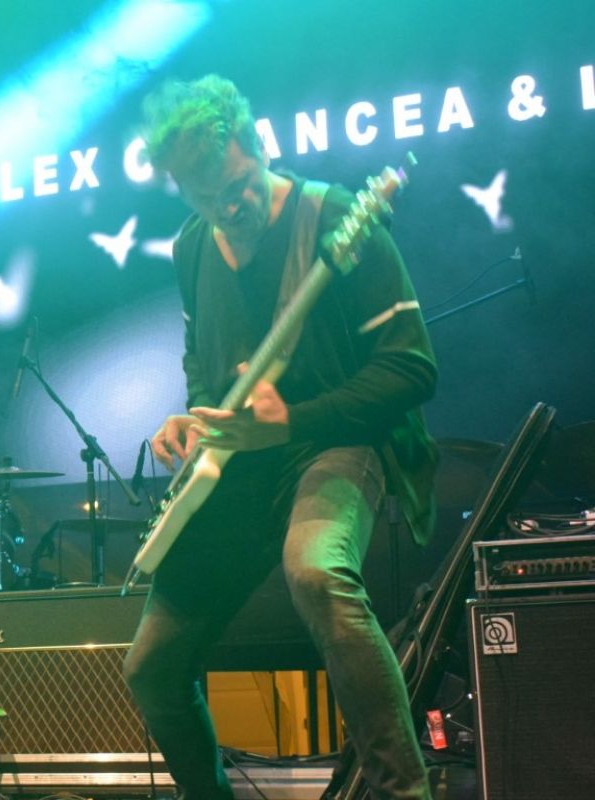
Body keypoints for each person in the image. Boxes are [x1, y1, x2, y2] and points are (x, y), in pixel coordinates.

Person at [123, 75, 439, 800]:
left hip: (337, 443)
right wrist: (198, 415)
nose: (227, 208)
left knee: (316, 573)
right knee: (151, 666)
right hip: (243, 466)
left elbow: (413, 368)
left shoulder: (334, 217)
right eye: (205, 197)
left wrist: (291, 422)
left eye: (236, 185)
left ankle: (405, 792)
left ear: (258, 145)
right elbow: (202, 359)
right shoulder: (191, 247)